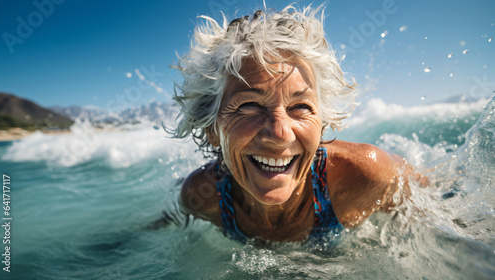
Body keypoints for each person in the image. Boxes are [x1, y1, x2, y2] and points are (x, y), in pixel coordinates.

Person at [170, 5, 423, 243]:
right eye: (249, 107)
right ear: (212, 130)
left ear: (321, 126)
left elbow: (431, 197)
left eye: (300, 108)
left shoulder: (365, 175)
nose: (280, 134)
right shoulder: (202, 198)